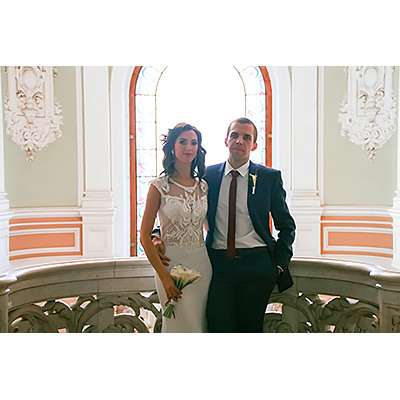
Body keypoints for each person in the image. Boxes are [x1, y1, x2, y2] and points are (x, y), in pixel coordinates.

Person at [204, 117, 296, 332]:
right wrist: (159, 232)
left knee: (250, 330)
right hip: (218, 266)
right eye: (234, 135)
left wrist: (279, 265)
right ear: (226, 140)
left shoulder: (269, 177)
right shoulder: (208, 176)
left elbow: (286, 226)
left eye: (246, 137)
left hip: (257, 266)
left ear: (254, 145)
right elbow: (186, 210)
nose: (239, 140)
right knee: (219, 328)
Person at [140, 122, 212, 333]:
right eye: (183, 142)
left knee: (198, 325)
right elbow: (144, 235)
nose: (189, 147)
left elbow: (209, 226)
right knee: (178, 324)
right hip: (170, 264)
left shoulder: (203, 186)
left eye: (194, 143)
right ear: (172, 146)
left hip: (202, 265)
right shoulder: (158, 186)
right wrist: (164, 277)